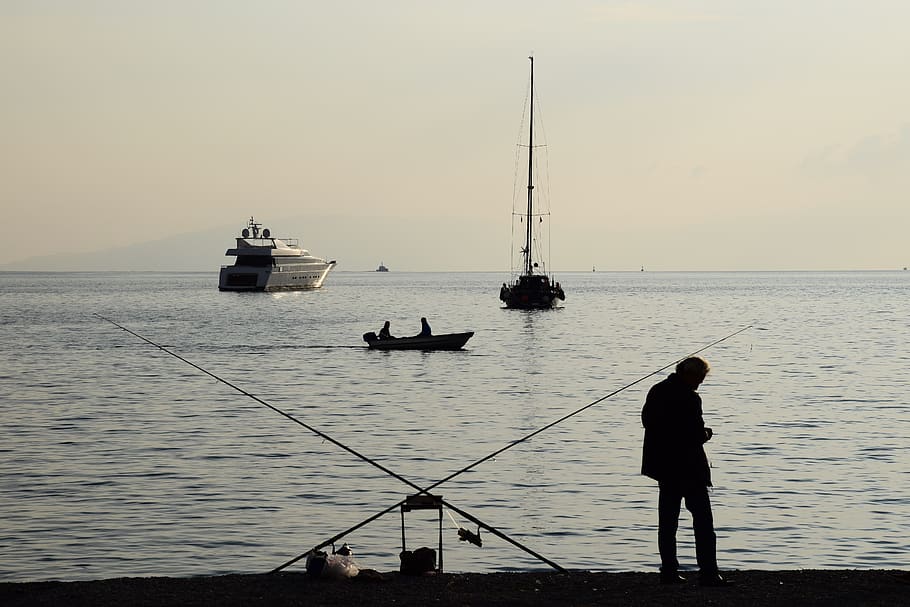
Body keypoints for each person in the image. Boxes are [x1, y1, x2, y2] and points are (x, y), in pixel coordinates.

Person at [641, 356, 731, 587]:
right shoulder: (690, 398)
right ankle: (709, 573)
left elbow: (648, 422)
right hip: (689, 468)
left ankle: (669, 572)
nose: (700, 383)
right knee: (703, 522)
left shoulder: (657, 391)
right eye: (699, 378)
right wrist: (706, 434)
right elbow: (694, 435)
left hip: (664, 468)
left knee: (668, 522)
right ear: (688, 374)